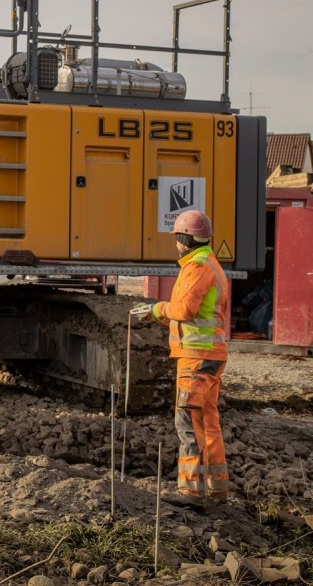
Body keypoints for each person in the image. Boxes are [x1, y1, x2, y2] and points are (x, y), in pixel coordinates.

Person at [131, 209, 231, 504]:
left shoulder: (196, 267)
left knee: (187, 421)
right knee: (206, 421)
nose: (175, 242)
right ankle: (217, 487)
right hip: (211, 355)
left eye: (177, 237)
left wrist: (156, 309)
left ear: (184, 239)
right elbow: (194, 315)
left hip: (196, 358)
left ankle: (191, 491)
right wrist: (161, 316)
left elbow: (184, 310)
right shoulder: (211, 264)